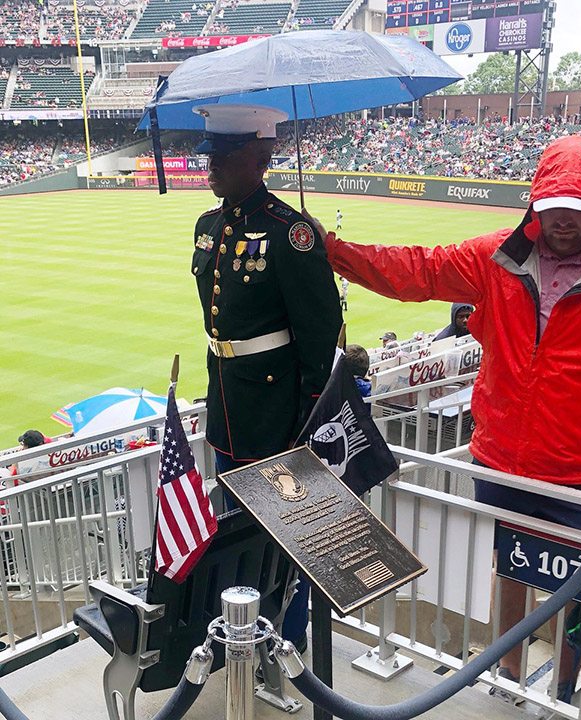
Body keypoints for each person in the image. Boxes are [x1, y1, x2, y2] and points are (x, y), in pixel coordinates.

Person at [314, 136, 581, 700]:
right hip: (501, 461)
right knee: (510, 569)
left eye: (577, 210)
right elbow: (417, 271)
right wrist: (332, 251)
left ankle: (562, 688)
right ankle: (509, 677)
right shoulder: (495, 259)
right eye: (553, 206)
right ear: (535, 203)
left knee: (575, 591)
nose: (562, 220)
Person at [190, 103, 342, 652]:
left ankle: (287, 646)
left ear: (258, 158)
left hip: (277, 413)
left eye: (224, 158)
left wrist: (307, 414)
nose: (211, 167)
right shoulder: (210, 226)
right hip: (227, 402)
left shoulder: (290, 232)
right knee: (236, 533)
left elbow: (321, 329)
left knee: (288, 538)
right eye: (211, 156)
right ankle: (242, 641)